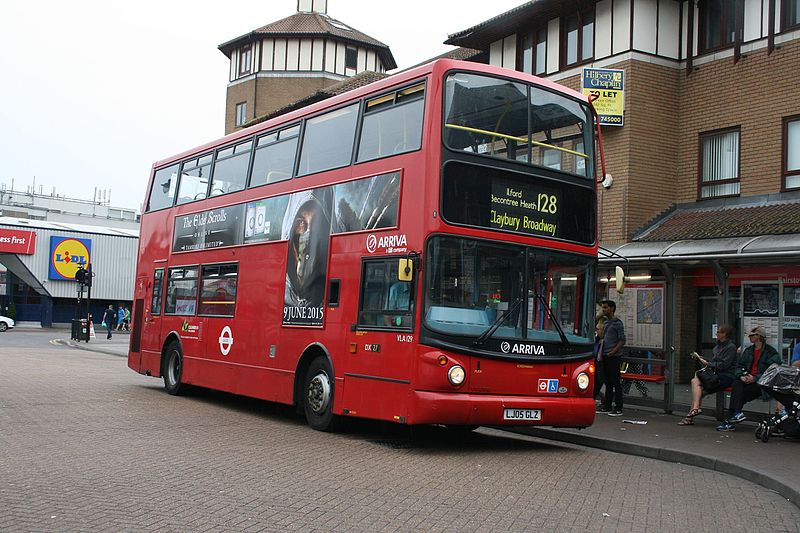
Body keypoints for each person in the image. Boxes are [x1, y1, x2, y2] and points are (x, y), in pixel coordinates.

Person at [716, 326, 782, 431]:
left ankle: (731, 420)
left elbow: (773, 371)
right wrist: (742, 375)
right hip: (747, 380)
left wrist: (755, 378)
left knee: (739, 394)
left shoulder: (770, 352)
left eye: (752, 335)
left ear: (759, 336)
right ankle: (736, 414)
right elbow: (739, 365)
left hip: (762, 384)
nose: (750, 337)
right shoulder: (749, 350)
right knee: (737, 384)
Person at [678, 324, 738, 426]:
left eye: (719, 331)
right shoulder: (718, 346)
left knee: (697, 391)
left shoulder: (731, 347)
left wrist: (708, 364)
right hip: (716, 374)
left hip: (725, 376)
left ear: (725, 334)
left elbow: (724, 365)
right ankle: (695, 409)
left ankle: (690, 416)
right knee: (695, 382)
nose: (716, 333)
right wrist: (705, 360)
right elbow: (716, 362)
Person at [597, 300, 625, 416]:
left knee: (615, 382)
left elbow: (622, 340)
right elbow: (601, 336)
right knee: (607, 382)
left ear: (612, 308)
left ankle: (618, 407)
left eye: (605, 308)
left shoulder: (617, 323)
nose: (603, 310)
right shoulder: (606, 322)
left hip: (613, 356)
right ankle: (607, 405)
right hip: (604, 355)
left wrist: (613, 352)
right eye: (603, 308)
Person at [593, 311, 607, 409]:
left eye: (599, 329)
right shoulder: (596, 340)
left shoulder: (605, 341)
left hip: (602, 363)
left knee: (599, 381)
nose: (597, 331)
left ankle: (603, 400)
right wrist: (599, 316)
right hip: (594, 362)